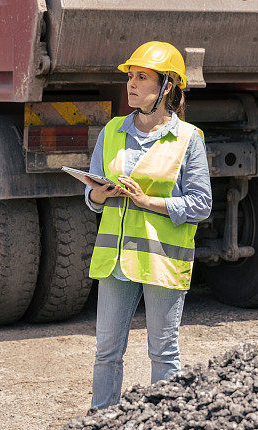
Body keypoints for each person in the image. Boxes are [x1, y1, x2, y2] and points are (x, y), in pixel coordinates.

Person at [84, 41, 212, 410]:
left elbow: (201, 204)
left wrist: (148, 202)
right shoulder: (111, 131)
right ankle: (100, 425)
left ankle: (164, 426)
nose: (132, 84)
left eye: (143, 77)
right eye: (130, 76)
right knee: (107, 350)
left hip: (161, 261)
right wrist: (100, 196)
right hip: (116, 261)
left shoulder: (188, 138)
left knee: (163, 351)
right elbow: (91, 199)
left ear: (167, 86)